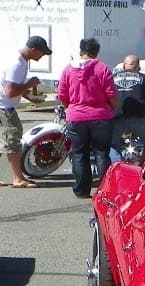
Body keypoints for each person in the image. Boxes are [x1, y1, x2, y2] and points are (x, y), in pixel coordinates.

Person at [57, 38, 116, 198]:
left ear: (81, 51)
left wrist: (71, 108)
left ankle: (82, 190)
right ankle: (105, 189)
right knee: (102, 153)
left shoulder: (68, 70)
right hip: (101, 115)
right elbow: (111, 94)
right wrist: (111, 108)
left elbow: (62, 95)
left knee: (78, 153)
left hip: (76, 117)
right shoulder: (102, 68)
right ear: (96, 52)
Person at [0, 36, 52, 188]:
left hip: (3, 104)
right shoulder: (17, 64)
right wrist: (29, 84)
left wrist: (30, 97)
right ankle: (17, 178)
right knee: (13, 138)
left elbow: (13, 87)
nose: (42, 56)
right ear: (33, 50)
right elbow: (10, 92)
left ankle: (17, 176)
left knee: (4, 139)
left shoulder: (20, 60)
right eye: (41, 53)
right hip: (4, 106)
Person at [110, 54, 145, 164]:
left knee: (114, 147)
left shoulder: (112, 78)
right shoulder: (144, 78)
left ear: (123, 66)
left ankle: (117, 172)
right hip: (140, 119)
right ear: (138, 67)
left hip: (118, 119)